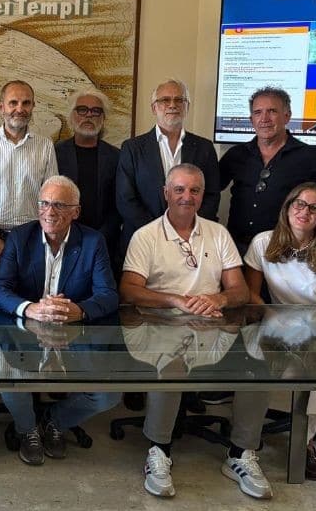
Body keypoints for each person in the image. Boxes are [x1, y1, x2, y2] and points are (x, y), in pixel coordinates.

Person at [119, 163, 271, 500]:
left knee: (258, 365)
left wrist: (217, 298)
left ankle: (241, 453)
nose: (186, 196)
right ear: (166, 193)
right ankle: (159, 450)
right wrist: (176, 300)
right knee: (172, 364)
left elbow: (240, 290)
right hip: (157, 326)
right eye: (179, 189)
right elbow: (129, 290)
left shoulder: (218, 234)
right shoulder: (145, 236)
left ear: (203, 196)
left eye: (194, 190)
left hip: (213, 327)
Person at [0, 175, 119, 466]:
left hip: (73, 335)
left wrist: (79, 310)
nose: (49, 211)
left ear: (76, 211)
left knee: (108, 395)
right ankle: (27, 429)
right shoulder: (20, 238)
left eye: (59, 205)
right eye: (44, 203)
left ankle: (55, 421)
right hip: (25, 332)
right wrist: (31, 308)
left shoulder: (93, 242)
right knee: (4, 375)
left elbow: (109, 295)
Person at [243, 182, 316, 484]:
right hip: (278, 325)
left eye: (313, 207)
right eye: (298, 203)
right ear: (287, 207)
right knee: (313, 362)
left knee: (313, 357)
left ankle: (307, 443)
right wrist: (274, 318)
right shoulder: (263, 243)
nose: (304, 211)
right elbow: (251, 295)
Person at [219, 86, 316, 254]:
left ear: (287, 116)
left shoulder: (310, 156)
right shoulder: (236, 154)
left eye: (272, 111)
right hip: (237, 249)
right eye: (258, 112)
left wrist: (315, 244)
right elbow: (209, 190)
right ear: (251, 119)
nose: (264, 119)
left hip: (285, 252)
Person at [117, 79, 220, 252]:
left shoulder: (205, 148)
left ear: (187, 107)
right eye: (165, 100)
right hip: (143, 241)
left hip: (191, 241)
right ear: (154, 108)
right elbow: (125, 199)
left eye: (179, 100)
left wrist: (186, 229)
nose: (172, 105)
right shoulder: (132, 148)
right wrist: (159, 232)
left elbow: (211, 195)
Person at [0, 80, 57, 270]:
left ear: (33, 106)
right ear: (1, 107)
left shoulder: (45, 146)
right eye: (13, 103)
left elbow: (51, 198)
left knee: (30, 288)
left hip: (33, 237)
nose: (20, 109)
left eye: (26, 103)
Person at [54, 86, 121, 266]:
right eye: (82, 110)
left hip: (104, 243)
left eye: (96, 111)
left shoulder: (116, 156)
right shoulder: (55, 153)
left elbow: (119, 204)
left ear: (103, 118)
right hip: (62, 240)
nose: (89, 115)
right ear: (72, 116)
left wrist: (100, 237)